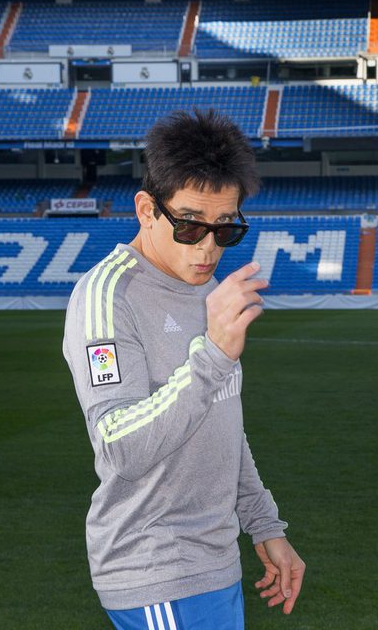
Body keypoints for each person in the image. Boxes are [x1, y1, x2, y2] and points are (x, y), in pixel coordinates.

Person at [62, 109, 305, 629]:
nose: (208, 247)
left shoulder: (209, 291)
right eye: (191, 225)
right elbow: (118, 445)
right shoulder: (107, 297)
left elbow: (221, 424)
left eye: (226, 229)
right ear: (147, 209)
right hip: (157, 566)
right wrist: (212, 355)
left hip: (213, 563)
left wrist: (264, 525)